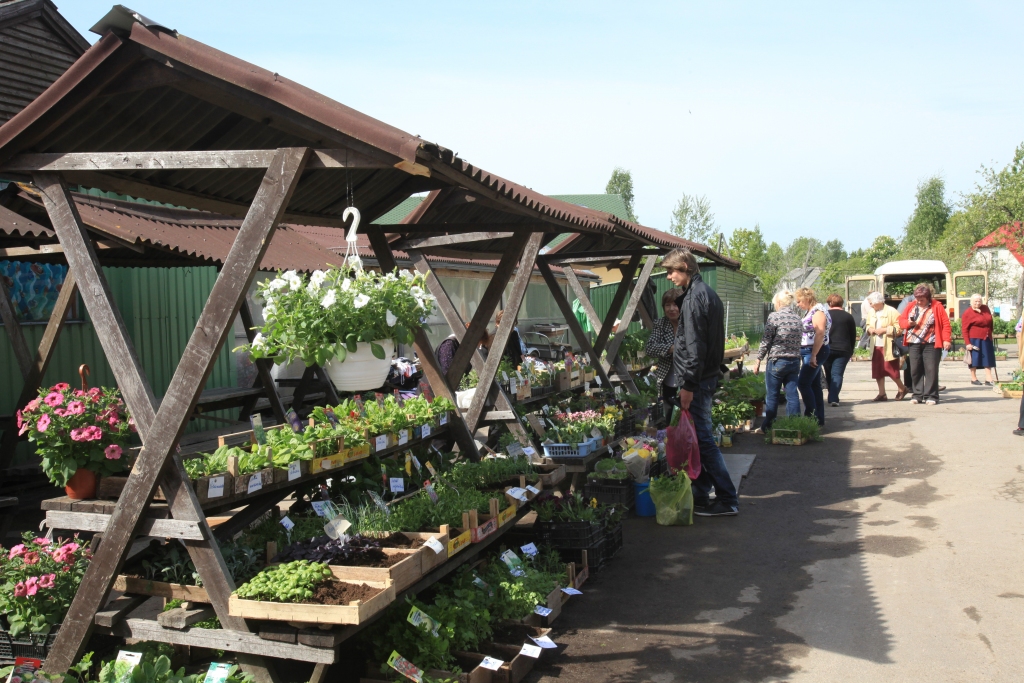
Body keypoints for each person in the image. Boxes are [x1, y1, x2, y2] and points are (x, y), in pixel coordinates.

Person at [663, 247, 738, 518]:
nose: (669, 276)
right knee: (697, 437)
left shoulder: (695, 298)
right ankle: (702, 491)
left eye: (671, 270)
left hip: (698, 379)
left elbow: (694, 348)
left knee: (703, 439)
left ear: (685, 266)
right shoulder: (706, 293)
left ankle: (727, 498)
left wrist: (688, 387)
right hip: (705, 376)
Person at [752, 289, 802, 433]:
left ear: (779, 302)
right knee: (792, 394)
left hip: (777, 361)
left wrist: (758, 359)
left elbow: (766, 340)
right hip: (794, 361)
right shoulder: (797, 318)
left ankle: (768, 426)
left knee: (772, 394)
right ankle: (795, 426)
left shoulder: (774, 317)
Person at [898, 283, 951, 405]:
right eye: (917, 299)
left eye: (922, 300)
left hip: (931, 342)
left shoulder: (937, 306)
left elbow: (945, 324)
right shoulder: (911, 305)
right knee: (915, 369)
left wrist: (946, 339)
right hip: (914, 342)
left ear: (928, 298)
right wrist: (908, 324)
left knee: (931, 369)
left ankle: (931, 395)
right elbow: (901, 321)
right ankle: (917, 394)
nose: (919, 302)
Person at [795, 288, 831, 426]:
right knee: (814, 385)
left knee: (803, 383)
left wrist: (814, 355)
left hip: (815, 351)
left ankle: (810, 416)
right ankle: (818, 419)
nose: (798, 304)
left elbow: (820, 333)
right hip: (811, 350)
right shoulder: (812, 310)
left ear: (807, 299)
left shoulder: (818, 311)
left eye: (799, 301)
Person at [864, 291, 907, 401]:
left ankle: (902, 388)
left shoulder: (892, 311)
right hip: (876, 346)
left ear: (878, 302)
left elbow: (899, 328)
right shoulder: (871, 312)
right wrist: (870, 329)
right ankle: (882, 393)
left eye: (871, 303)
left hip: (889, 345)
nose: (870, 305)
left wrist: (884, 330)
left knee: (891, 369)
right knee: (877, 370)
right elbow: (868, 325)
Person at [644, 288, 684, 407]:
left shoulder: (689, 323)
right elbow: (650, 348)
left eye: (675, 304)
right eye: (668, 305)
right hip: (668, 380)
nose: (671, 309)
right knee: (670, 417)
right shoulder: (661, 324)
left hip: (688, 381)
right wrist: (672, 348)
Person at [824, 294, 857, 406]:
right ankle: (833, 398)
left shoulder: (824, 315)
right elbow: (852, 335)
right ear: (841, 303)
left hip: (827, 348)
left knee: (829, 373)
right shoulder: (848, 316)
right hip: (843, 349)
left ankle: (832, 395)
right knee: (837, 374)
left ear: (829, 303)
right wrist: (851, 350)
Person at [961, 294, 996, 385]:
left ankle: (989, 378)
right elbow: (964, 329)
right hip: (974, 338)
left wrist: (990, 333)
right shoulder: (967, 313)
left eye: (979, 301)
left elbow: (990, 321)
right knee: (974, 358)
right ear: (971, 302)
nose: (978, 303)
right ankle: (973, 378)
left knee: (988, 357)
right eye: (975, 301)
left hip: (986, 337)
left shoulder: (985, 308)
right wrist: (967, 343)